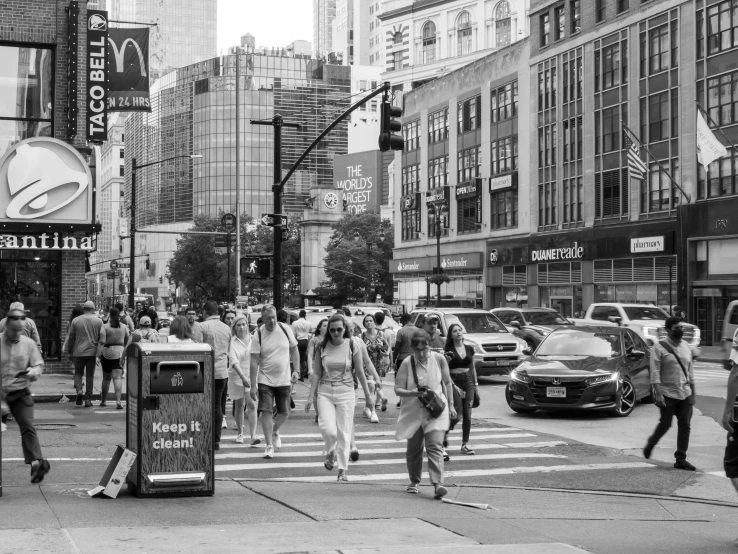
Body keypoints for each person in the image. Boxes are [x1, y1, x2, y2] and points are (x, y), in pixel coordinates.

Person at [306, 314, 371, 482]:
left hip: (346, 391)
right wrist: (309, 396)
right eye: (333, 330)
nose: (336, 332)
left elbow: (360, 371)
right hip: (325, 391)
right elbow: (317, 373)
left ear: (345, 329)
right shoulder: (322, 346)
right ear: (328, 330)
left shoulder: (352, 344)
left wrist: (368, 396)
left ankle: (342, 470)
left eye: (339, 329)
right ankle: (330, 451)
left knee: (344, 431)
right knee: (328, 429)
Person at [394, 329, 455, 498]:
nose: (422, 353)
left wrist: (451, 405)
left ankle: (438, 484)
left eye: (425, 349)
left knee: (435, 446)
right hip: (413, 411)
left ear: (429, 346)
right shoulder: (407, 363)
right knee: (414, 449)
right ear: (413, 349)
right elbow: (397, 389)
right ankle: (414, 481)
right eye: (418, 350)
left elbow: (448, 383)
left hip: (435, 410)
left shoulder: (439, 359)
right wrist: (413, 393)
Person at [0, 305, 50, 483]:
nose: (16, 334)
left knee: (28, 427)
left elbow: (38, 365)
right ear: (6, 325)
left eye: (19, 330)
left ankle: (37, 463)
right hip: (1, 393)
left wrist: (32, 372)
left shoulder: (27, 344)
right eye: (13, 330)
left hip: (20, 392)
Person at [643, 316, 697, 470]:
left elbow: (690, 371)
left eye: (681, 327)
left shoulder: (686, 346)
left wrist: (693, 393)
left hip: (685, 393)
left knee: (685, 425)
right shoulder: (659, 348)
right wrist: (658, 394)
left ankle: (681, 458)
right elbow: (655, 374)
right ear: (668, 330)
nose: (680, 330)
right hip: (667, 394)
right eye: (676, 328)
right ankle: (651, 443)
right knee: (666, 424)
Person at [250, 304, 300, 459]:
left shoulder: (286, 329)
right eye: (268, 318)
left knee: (285, 412)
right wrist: (253, 386)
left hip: (284, 378)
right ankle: (268, 445)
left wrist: (297, 370)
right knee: (266, 410)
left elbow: (294, 350)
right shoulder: (258, 334)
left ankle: (275, 430)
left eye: (274, 317)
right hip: (265, 379)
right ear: (263, 319)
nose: (272, 321)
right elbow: (253, 361)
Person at [199, 301, 232, 448]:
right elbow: (229, 351)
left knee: (204, 405)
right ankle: (216, 440)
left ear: (205, 312)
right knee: (217, 405)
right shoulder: (227, 328)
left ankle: (204, 436)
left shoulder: (203, 326)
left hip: (205, 371)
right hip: (222, 372)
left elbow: (197, 349)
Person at [443, 323, 479, 459]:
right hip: (454, 380)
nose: (458, 332)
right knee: (457, 414)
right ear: (451, 335)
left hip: (468, 380)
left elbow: (472, 368)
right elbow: (445, 370)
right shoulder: (448, 349)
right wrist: (452, 385)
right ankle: (442, 433)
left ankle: (464, 444)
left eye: (460, 330)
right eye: (455, 331)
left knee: (468, 414)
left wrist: (476, 385)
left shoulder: (469, 348)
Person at [229, 314, 259, 445]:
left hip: (251, 376)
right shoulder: (232, 342)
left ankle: (253, 435)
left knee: (251, 404)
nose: (242, 327)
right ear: (234, 328)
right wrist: (242, 377)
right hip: (237, 377)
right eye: (239, 325)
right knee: (239, 405)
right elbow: (234, 361)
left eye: (244, 324)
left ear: (247, 325)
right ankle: (240, 432)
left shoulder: (254, 340)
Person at [66, 300, 103, 407]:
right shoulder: (98, 321)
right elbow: (101, 338)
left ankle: (79, 391)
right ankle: (88, 399)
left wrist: (70, 351)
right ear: (93, 309)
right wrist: (99, 354)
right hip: (92, 352)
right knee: (90, 375)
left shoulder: (76, 321)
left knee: (78, 373)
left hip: (78, 352)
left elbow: (71, 337)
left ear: (84, 309)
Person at [97, 307, 129, 409]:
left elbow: (102, 342)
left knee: (106, 378)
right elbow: (128, 339)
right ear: (119, 315)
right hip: (119, 353)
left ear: (110, 315)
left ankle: (103, 400)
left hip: (106, 352)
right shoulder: (123, 327)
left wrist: (97, 355)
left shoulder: (105, 327)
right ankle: (118, 401)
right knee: (117, 377)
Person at [361, 313, 389, 418]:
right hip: (367, 363)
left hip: (379, 362)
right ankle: (375, 408)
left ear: (374, 322)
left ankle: (367, 408)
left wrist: (386, 353)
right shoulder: (362, 336)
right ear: (364, 324)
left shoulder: (381, 334)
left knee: (378, 384)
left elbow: (387, 346)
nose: (369, 323)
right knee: (371, 386)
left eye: (370, 321)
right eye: (366, 321)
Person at [307, 319, 328, 423]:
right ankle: (318, 414)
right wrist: (310, 369)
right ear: (319, 327)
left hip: (327, 369)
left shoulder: (331, 339)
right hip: (316, 367)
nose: (326, 327)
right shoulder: (314, 340)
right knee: (316, 392)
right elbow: (310, 355)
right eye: (324, 325)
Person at [292, 310, 312, 381]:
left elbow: (293, 334)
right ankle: (304, 372)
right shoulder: (308, 323)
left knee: (298, 357)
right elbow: (310, 331)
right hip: (305, 341)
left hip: (298, 341)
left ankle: (301, 372)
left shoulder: (295, 323)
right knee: (303, 357)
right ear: (305, 315)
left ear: (299, 315)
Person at [374, 312, 395, 377]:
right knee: (381, 378)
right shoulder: (388, 332)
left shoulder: (372, 331)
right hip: (385, 359)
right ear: (383, 320)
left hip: (374, 358)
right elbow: (390, 347)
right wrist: (391, 361)